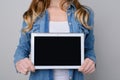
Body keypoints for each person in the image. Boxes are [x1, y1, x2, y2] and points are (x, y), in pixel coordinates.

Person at [14, 0, 96, 80]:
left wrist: (91, 61)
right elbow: (22, 48)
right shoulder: (33, 14)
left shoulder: (84, 13)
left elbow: (89, 49)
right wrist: (20, 61)